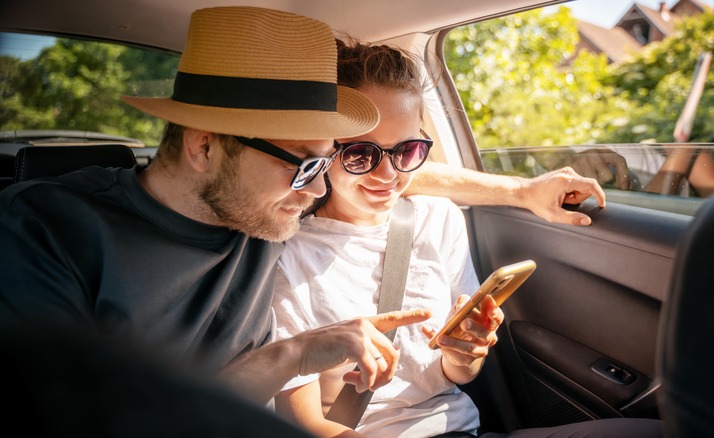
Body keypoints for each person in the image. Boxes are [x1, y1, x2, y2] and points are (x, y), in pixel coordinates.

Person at [0, 5, 605, 429]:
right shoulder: (43, 233)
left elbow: (396, 172)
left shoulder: (268, 205)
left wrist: (524, 192)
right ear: (205, 145)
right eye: (307, 166)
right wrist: (291, 356)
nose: (319, 188)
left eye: (325, 164)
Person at [272, 40, 662, 438]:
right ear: (322, 149)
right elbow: (299, 423)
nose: (387, 175)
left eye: (406, 151)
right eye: (359, 154)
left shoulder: (438, 219)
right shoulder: (286, 257)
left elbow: (457, 373)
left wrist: (466, 352)